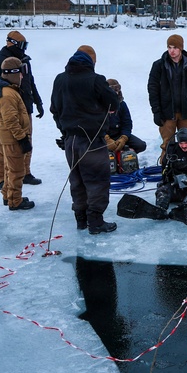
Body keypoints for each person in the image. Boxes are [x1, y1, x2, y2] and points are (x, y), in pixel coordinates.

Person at [50, 45, 122, 234]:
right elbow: (113, 103)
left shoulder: (60, 79)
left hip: (70, 141)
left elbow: (54, 109)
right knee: (96, 180)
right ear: (91, 60)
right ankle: (95, 222)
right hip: (92, 140)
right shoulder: (95, 80)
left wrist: (65, 132)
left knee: (77, 180)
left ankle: (81, 219)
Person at [0, 30, 43, 189]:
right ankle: (0, 178)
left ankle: (25, 173)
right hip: (6, 112)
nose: (24, 49)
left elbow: (31, 82)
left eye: (26, 45)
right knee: (5, 146)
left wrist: (38, 102)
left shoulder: (24, 62)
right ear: (12, 44)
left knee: (27, 141)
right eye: (23, 45)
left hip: (25, 108)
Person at [0, 57, 34, 210]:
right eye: (21, 72)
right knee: (17, 170)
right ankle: (15, 200)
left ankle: (8, 195)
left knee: (9, 169)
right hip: (13, 139)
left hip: (10, 137)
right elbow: (11, 120)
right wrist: (22, 137)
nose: (22, 76)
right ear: (13, 73)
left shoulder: (7, 90)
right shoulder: (8, 94)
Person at [148, 34, 187, 161]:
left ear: (181, 48)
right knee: (168, 145)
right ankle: (166, 171)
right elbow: (152, 89)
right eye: (169, 47)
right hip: (167, 113)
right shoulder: (159, 66)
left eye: (175, 48)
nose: (172, 51)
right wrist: (156, 111)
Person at [103, 79, 147, 168]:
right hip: (104, 137)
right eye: (113, 90)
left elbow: (127, 123)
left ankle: (124, 154)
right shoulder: (100, 105)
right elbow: (96, 125)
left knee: (141, 145)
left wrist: (123, 138)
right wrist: (107, 139)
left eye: (117, 90)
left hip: (119, 135)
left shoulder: (122, 104)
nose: (116, 93)